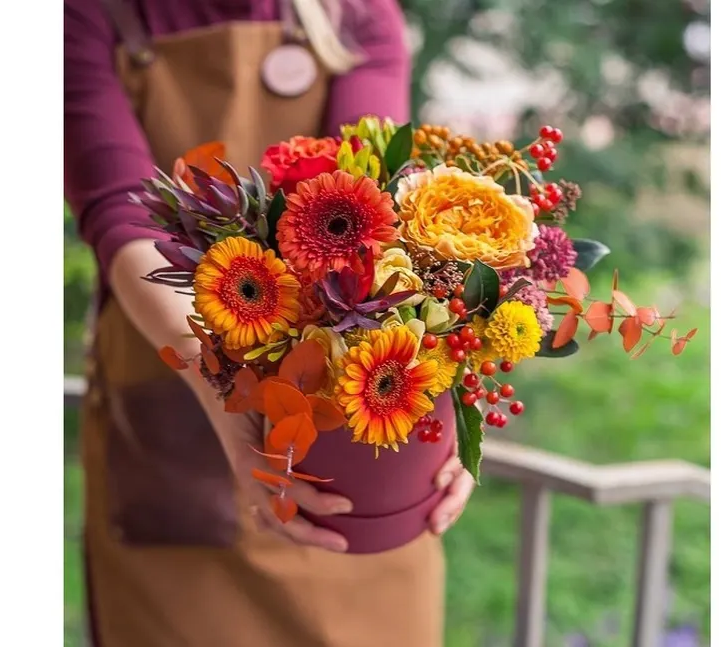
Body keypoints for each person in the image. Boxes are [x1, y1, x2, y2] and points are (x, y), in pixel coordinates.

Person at [63, 0, 476, 645]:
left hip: (354, 448)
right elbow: (124, 221)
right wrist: (233, 396)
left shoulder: (357, 13)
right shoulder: (86, 16)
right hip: (173, 408)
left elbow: (377, 212)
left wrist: (455, 415)